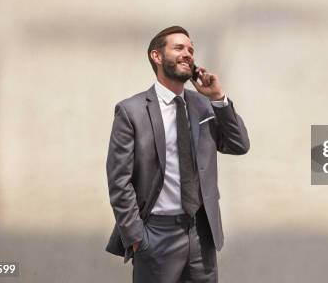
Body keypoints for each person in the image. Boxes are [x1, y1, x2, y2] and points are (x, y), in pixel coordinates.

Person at [105, 26, 250, 283]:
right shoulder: (132, 111)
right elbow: (119, 181)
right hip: (156, 234)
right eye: (179, 48)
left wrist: (218, 98)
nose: (188, 54)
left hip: (201, 234)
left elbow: (238, 144)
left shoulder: (203, 105)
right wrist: (138, 238)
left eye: (191, 49)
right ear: (157, 56)